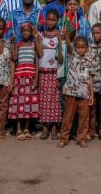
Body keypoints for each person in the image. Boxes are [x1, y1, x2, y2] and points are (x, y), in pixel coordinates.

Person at [59, 35, 95, 148]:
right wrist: (68, 35)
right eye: (78, 47)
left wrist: (92, 94)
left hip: (84, 92)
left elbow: (90, 78)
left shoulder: (89, 60)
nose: (80, 49)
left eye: (83, 47)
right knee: (68, 116)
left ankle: (82, 138)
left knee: (84, 117)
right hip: (71, 91)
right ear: (75, 48)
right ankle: (64, 138)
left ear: (87, 48)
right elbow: (69, 46)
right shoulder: (72, 55)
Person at [9, 23, 40, 140]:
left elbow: (37, 62)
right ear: (21, 33)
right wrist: (12, 44)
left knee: (28, 104)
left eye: (28, 31)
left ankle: (26, 128)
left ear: (31, 32)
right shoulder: (19, 44)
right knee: (19, 104)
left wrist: (36, 79)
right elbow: (15, 57)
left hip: (31, 77)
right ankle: (18, 128)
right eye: (24, 31)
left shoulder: (33, 45)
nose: (26, 33)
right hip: (19, 77)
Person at [37, 9, 63, 139]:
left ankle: (54, 127)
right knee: (44, 102)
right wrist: (37, 40)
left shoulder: (59, 35)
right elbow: (40, 54)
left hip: (55, 73)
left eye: (53, 20)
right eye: (49, 19)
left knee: (55, 102)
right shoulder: (41, 35)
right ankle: (45, 127)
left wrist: (61, 41)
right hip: (43, 72)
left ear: (57, 20)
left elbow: (61, 58)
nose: (51, 22)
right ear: (45, 20)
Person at [88, 23, 101, 141]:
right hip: (92, 83)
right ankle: (91, 131)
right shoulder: (89, 47)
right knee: (92, 109)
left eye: (98, 33)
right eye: (93, 33)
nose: (96, 35)